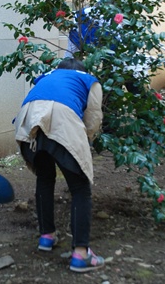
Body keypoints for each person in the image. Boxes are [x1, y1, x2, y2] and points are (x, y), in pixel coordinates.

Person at [14, 58, 105, 273]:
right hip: (62, 119)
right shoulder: (89, 80)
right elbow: (92, 119)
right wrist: (85, 142)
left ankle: (46, 236)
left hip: (28, 124)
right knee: (80, 188)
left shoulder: (47, 77)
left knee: (45, 178)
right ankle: (81, 255)